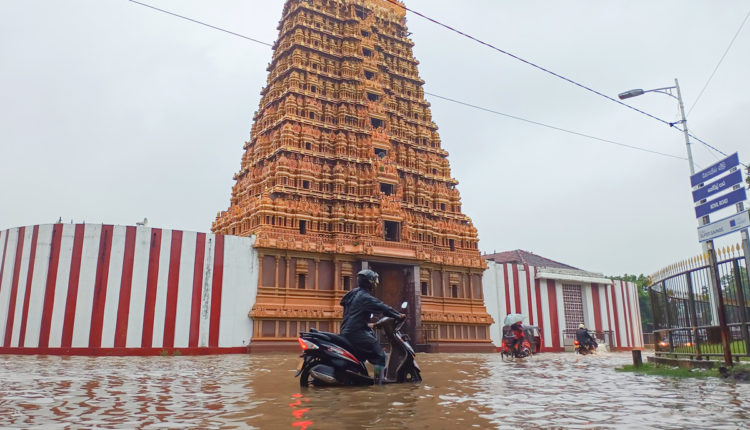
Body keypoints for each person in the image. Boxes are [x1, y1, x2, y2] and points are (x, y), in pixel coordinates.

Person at [340, 269, 405, 384]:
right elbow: (383, 307)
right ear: (369, 282)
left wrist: (371, 325)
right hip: (356, 333)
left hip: (346, 330)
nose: (376, 283)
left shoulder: (354, 293)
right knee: (380, 356)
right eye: (374, 281)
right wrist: (398, 315)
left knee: (366, 354)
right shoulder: (365, 297)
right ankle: (378, 383)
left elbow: (353, 315)